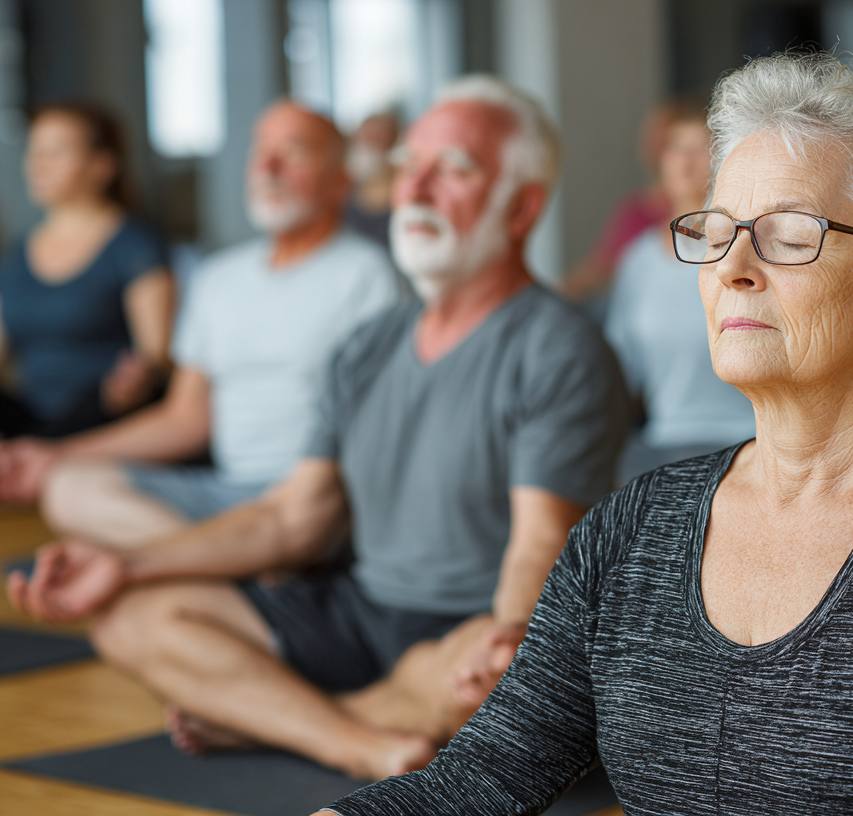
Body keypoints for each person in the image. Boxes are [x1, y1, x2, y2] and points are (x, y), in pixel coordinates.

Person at [322, 53, 853, 816]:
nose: (733, 267)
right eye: (717, 230)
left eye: (789, 235)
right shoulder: (629, 530)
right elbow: (479, 780)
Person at [7, 75, 629, 782]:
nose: (417, 188)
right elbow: (292, 517)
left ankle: (275, 719)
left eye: (453, 169)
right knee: (129, 616)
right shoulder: (367, 344)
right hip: (360, 609)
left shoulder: (559, 346)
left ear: (522, 207)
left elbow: (540, 548)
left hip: (465, 622)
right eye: (408, 166)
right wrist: (129, 564)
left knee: (508, 671)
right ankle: (353, 736)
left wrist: (504, 636)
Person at [0, 102, 399, 546]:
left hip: (310, 495)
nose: (269, 166)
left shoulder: (367, 275)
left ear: (341, 179)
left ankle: (223, 561)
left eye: (295, 152)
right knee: (68, 489)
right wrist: (56, 455)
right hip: (223, 491)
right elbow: (186, 418)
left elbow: (378, 429)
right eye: (261, 150)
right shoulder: (219, 277)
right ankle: (236, 567)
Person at [0, 102, 174, 438]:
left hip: (104, 415)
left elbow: (156, 355)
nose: (38, 165)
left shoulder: (136, 245)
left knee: (88, 406)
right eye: (34, 151)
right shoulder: (18, 254)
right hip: (33, 415)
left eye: (56, 152)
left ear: (103, 165)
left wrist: (135, 378)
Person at [604, 98, 756, 481]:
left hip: (746, 439)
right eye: (675, 148)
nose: (685, 161)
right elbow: (621, 370)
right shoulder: (638, 260)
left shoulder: (746, 251)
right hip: (661, 443)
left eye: (699, 148)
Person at [555, 103, 673, 306]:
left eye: (668, 143)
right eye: (654, 140)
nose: (655, 148)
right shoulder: (636, 211)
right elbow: (601, 265)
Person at [344, 112, 400, 250]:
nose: (367, 145)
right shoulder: (343, 194)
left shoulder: (404, 194)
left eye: (376, 138)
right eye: (362, 137)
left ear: (392, 142)